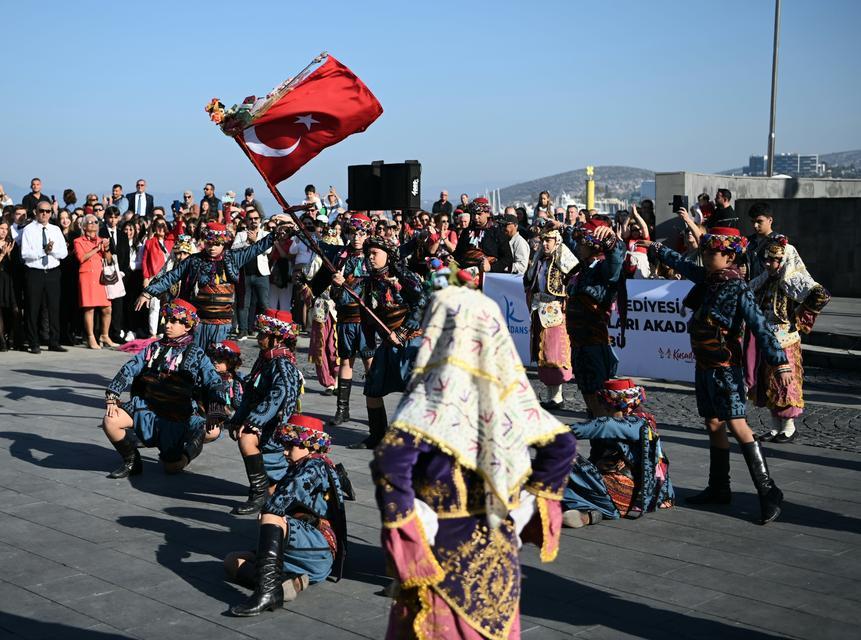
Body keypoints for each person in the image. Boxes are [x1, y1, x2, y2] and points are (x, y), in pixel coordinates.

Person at [372, 285, 577, 639]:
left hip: (442, 554)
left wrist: (408, 524)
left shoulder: (432, 395)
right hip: (498, 550)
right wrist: (529, 503)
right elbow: (561, 445)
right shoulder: (510, 393)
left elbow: (391, 460)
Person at [646, 227, 790, 524]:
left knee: (737, 424)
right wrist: (659, 250)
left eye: (711, 253)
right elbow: (686, 266)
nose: (706, 256)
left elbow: (760, 326)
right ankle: (719, 487)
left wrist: (780, 362)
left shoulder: (738, 287)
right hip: (705, 365)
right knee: (712, 421)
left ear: (728, 256)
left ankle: (768, 490)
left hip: (726, 369)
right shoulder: (710, 279)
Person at [226, 414, 346, 616]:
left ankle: (268, 593)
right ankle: (289, 583)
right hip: (300, 552)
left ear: (310, 446)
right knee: (232, 561)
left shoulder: (316, 466)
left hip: (318, 549)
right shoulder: (301, 465)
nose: (285, 451)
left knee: (272, 515)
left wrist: (268, 513)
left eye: (291, 446)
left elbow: (284, 498)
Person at [102, 300, 227, 478]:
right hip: (147, 407)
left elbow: (214, 381)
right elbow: (131, 367)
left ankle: (183, 454)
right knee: (110, 420)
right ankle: (132, 462)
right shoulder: (153, 348)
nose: (167, 325)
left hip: (178, 415)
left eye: (174, 321)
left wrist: (216, 408)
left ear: (187, 326)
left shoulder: (197, 353)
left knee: (178, 461)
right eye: (167, 320)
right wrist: (113, 394)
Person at [137, 218, 290, 349]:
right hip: (197, 322)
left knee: (217, 362)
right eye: (209, 243)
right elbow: (171, 277)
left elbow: (256, 248)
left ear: (223, 243)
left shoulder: (233, 258)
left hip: (222, 324)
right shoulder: (193, 260)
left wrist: (276, 234)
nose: (212, 248)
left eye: (217, 244)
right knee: (193, 360)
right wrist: (148, 292)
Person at [748, 235, 830, 444]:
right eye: (766, 259)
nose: (768, 263)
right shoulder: (765, 281)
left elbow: (821, 295)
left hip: (785, 339)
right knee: (768, 382)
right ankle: (776, 427)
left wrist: (799, 318)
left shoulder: (791, 281)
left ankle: (789, 427)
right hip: (766, 338)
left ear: (783, 260)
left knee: (784, 382)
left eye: (773, 260)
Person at [562, 378, 674, 527]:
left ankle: (596, 510)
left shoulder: (635, 423)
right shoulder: (641, 424)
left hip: (617, 495)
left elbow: (605, 425)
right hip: (615, 499)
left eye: (603, 407)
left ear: (613, 407)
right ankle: (591, 515)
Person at [352, 235, 428, 449]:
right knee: (372, 388)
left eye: (375, 253)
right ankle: (377, 435)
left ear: (388, 255)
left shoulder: (404, 275)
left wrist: (403, 333)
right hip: (387, 343)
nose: (371, 257)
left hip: (411, 341)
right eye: (368, 254)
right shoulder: (368, 282)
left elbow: (422, 303)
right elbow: (363, 313)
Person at [227, 308, 303, 515]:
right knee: (277, 486)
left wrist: (254, 420)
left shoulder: (282, 364)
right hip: (265, 421)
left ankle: (258, 495)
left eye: (263, 334)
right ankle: (265, 490)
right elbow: (252, 393)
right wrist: (239, 418)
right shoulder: (265, 360)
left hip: (276, 425)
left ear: (277, 338)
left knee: (247, 439)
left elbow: (279, 396)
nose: (259, 337)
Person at [564, 219, 624, 417]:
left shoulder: (603, 270)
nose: (578, 245)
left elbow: (616, 259)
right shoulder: (582, 269)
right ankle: (599, 443)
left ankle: (611, 443)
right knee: (588, 396)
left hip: (595, 345)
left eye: (582, 242)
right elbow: (572, 241)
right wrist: (561, 227)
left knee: (601, 399)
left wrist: (611, 238)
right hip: (578, 344)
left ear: (593, 246)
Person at [327, 214, 377, 425]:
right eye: (353, 233)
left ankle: (375, 416)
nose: (356, 237)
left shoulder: (373, 257)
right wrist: (337, 284)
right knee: (346, 361)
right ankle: (342, 410)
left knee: (369, 363)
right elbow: (333, 294)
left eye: (361, 233)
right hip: (346, 317)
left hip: (365, 319)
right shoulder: (341, 257)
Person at [524, 227, 578, 409]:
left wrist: (565, 299)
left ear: (556, 242)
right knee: (543, 350)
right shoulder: (540, 260)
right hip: (540, 309)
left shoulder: (562, 259)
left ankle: (556, 396)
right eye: (543, 240)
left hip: (555, 311)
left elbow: (574, 276)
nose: (545, 244)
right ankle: (550, 395)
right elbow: (529, 280)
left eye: (549, 240)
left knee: (554, 352)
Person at [19, 203, 68, 353]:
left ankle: (54, 341)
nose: (45, 214)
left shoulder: (55, 229)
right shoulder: (28, 230)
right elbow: (25, 254)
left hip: (53, 271)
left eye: (48, 211)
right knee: (33, 308)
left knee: (54, 308)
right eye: (42, 211)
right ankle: (34, 342)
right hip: (35, 272)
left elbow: (63, 253)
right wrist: (43, 251)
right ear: (35, 212)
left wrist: (51, 252)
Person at [73, 215, 116, 349]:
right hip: (87, 276)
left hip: (101, 277)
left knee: (107, 308)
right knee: (89, 308)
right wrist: (97, 248)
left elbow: (109, 260)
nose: (93, 224)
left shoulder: (102, 240)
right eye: (89, 222)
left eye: (95, 222)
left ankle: (105, 335)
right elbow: (81, 258)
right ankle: (91, 337)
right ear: (84, 226)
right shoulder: (78, 241)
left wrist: (106, 249)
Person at [141, 216, 186, 338]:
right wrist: (146, 277)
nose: (161, 228)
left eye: (163, 225)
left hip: (171, 277)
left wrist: (180, 219)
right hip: (155, 277)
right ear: (154, 228)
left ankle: (166, 329)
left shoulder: (171, 240)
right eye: (158, 225)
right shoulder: (150, 242)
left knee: (169, 305)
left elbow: (180, 233)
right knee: (154, 305)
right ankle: (153, 333)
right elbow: (145, 261)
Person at [231, 208, 271, 339]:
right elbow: (234, 249)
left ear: (260, 220)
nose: (253, 221)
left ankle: (264, 329)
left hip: (261, 274)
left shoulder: (265, 234)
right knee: (243, 303)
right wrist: (247, 242)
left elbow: (268, 250)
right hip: (245, 273)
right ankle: (243, 330)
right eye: (251, 219)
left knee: (263, 303)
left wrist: (255, 242)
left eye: (256, 219)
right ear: (247, 220)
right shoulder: (241, 235)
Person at [452, 197, 513, 275]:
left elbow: (507, 258)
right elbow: (459, 253)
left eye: (479, 214)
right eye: (473, 214)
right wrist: (450, 258)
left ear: (487, 213)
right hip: (465, 272)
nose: (476, 217)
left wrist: (491, 268)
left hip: (488, 275)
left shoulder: (497, 231)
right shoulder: (467, 231)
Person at [205, 340, 244, 442]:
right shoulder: (209, 377)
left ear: (231, 362)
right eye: (214, 358)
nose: (215, 362)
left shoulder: (239, 380)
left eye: (220, 360)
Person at [744, 201, 780, 281]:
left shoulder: (779, 241)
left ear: (770, 220)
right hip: (749, 288)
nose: (755, 225)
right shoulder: (747, 241)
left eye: (759, 221)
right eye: (752, 222)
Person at [0, 221, 15, 350]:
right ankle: (2, 341)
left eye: (6, 228)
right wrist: (2, 254)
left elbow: (15, 266)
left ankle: (9, 337)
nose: (4, 231)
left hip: (8, 280)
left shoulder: (11, 243)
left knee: (11, 311)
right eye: (1, 228)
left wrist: (9, 254)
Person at [502, 210, 529, 275]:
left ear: (515, 225)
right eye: (503, 225)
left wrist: (502, 266)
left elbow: (522, 267)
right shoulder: (505, 239)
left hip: (513, 280)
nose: (504, 228)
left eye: (506, 225)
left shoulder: (520, 242)